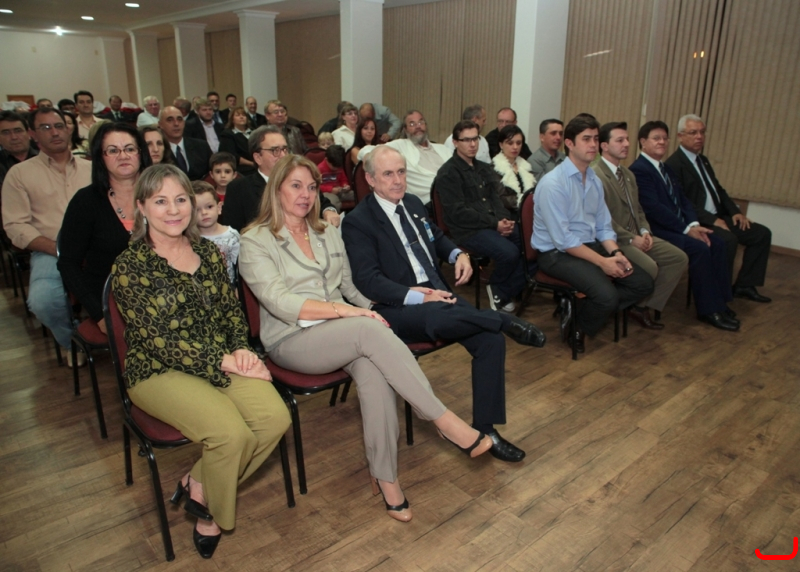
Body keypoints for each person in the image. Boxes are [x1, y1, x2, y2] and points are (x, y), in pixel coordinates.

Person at [239, 154, 493, 522]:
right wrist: (349, 313)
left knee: (374, 369)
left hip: (343, 332)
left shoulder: (326, 232)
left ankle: (386, 477)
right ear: (276, 189)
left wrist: (381, 305)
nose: (306, 195)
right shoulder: (255, 240)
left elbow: (349, 287)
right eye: (296, 186)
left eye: (312, 187)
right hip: (291, 338)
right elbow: (280, 302)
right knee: (368, 329)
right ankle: (442, 420)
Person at [111, 163, 289, 558]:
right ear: (141, 207)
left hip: (220, 357)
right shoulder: (130, 266)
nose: (173, 210)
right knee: (231, 435)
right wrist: (226, 361)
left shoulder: (209, 252)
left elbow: (231, 313)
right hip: (158, 370)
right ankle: (211, 516)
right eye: (160, 201)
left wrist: (242, 349)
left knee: (275, 419)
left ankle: (199, 482)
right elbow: (158, 341)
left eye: (180, 200)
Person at [343, 146, 546, 463]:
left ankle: (486, 430)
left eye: (401, 172)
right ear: (370, 179)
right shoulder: (358, 222)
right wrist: (419, 295)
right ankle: (503, 320)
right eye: (388, 174)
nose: (398, 180)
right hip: (395, 307)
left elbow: (436, 236)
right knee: (440, 316)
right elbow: (369, 281)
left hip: (439, 298)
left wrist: (457, 254)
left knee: (490, 340)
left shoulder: (412, 203)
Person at [532, 115, 654, 352]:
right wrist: (602, 263)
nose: (593, 145)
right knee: (607, 296)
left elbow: (604, 226)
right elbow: (564, 240)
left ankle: (582, 309)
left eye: (596, 139)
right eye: (586, 139)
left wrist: (616, 253)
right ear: (569, 143)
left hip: (589, 246)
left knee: (642, 283)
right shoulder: (553, 184)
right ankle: (578, 327)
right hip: (556, 254)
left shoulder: (594, 180)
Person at [630, 120, 739, 331]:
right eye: (656, 138)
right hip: (659, 230)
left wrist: (694, 224)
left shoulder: (665, 168)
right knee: (700, 248)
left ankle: (721, 303)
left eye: (665, 138)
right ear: (643, 142)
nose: (662, 142)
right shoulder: (639, 170)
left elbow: (684, 200)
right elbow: (654, 209)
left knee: (718, 243)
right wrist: (687, 230)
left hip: (680, 226)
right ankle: (708, 310)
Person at [1, 107, 92, 361]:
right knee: (43, 301)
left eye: (59, 126)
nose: (55, 132)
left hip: (96, 248)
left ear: (68, 129)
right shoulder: (19, 174)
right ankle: (72, 341)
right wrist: (58, 249)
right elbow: (16, 226)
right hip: (50, 251)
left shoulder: (91, 168)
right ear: (33, 134)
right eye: (46, 127)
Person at [666, 114, 772, 303]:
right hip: (699, 221)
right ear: (680, 136)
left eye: (702, 132)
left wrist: (735, 212)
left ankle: (745, 285)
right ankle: (719, 296)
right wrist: (713, 220)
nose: (699, 137)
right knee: (728, 240)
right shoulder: (674, 165)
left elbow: (718, 190)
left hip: (720, 216)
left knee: (761, 234)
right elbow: (683, 203)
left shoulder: (702, 160)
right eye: (693, 132)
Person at [58, 122, 151, 334]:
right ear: (100, 157)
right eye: (112, 150)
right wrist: (99, 313)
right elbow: (68, 264)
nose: (123, 156)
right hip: (111, 300)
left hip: (166, 293)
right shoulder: (85, 202)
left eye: (129, 148)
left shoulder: (162, 194)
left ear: (141, 153)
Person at [594, 122, 688, 329]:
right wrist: (631, 238)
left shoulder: (628, 175)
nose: (627, 144)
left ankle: (641, 306)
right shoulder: (596, 176)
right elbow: (602, 221)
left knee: (678, 258)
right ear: (604, 146)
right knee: (650, 267)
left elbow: (638, 209)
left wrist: (645, 231)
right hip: (615, 239)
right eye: (620, 140)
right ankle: (609, 304)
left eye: (627, 139)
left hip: (637, 233)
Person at [436, 120, 525, 313]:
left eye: (475, 139)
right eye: (466, 140)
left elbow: (496, 199)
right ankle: (499, 288)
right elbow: (458, 213)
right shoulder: (448, 173)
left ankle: (503, 289)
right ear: (455, 142)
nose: (472, 144)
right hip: (467, 230)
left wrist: (504, 220)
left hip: (491, 224)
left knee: (531, 244)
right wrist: (495, 223)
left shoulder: (484, 168)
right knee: (510, 253)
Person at [224, 126, 340, 232]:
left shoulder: (302, 180)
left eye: (284, 149)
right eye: (275, 150)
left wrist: (328, 211)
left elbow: (323, 203)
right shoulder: (239, 189)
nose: (283, 155)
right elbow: (233, 233)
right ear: (258, 157)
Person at [358, 110, 450, 206]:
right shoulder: (401, 145)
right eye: (412, 124)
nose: (418, 126)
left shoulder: (443, 149)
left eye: (421, 122)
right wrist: (368, 157)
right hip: (431, 202)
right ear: (405, 130)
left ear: (425, 125)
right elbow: (367, 150)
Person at [192, 181, 239, 285]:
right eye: (197, 210)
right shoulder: (190, 239)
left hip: (229, 287)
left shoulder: (232, 235)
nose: (204, 213)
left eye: (209, 207)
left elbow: (240, 269)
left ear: (219, 207)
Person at [491, 124, 536, 216]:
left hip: (527, 214)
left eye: (518, 143)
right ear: (501, 145)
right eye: (510, 143)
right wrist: (525, 202)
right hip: (506, 216)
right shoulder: (494, 168)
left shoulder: (526, 166)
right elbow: (501, 198)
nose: (515, 147)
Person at [159, 106, 212, 182]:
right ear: (160, 124)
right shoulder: (159, 150)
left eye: (180, 119)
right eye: (170, 120)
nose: (176, 124)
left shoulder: (201, 146)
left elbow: (212, 172)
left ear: (184, 123)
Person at [0, 111, 38, 189]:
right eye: (6, 133)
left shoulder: (46, 158)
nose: (14, 137)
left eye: (18, 131)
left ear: (29, 133)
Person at [219, 107, 256, 176]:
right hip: (241, 169)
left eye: (243, 115)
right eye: (238, 115)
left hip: (257, 165)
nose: (241, 117)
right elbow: (232, 156)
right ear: (232, 119)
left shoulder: (254, 132)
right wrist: (252, 164)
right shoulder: (227, 134)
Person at [317, 145, 353, 211]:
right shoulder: (319, 169)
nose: (336, 168)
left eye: (338, 166)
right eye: (334, 166)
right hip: (327, 193)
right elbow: (318, 186)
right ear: (326, 159)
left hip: (340, 191)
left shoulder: (339, 167)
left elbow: (343, 179)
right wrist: (330, 189)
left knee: (355, 195)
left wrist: (345, 185)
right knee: (333, 202)